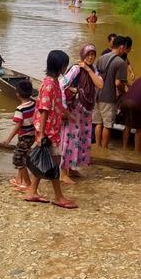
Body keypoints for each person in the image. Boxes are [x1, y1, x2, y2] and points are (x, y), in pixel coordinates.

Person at [25, 50, 78, 209]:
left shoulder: (54, 82)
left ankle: (32, 191)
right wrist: (41, 134)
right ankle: (59, 197)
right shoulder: (49, 84)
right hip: (47, 130)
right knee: (54, 162)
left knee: (43, 159)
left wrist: (69, 115)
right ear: (59, 65)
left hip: (50, 128)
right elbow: (44, 110)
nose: (66, 67)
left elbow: (58, 105)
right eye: (65, 64)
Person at [60, 44, 104, 184]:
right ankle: (63, 172)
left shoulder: (93, 70)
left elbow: (100, 84)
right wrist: (64, 107)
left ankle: (72, 168)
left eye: (92, 55)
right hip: (74, 109)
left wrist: (88, 69)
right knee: (69, 139)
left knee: (81, 139)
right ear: (82, 56)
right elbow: (62, 84)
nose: (90, 57)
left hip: (86, 110)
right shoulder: (76, 69)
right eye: (88, 55)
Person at [93, 35, 128, 148]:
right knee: (107, 125)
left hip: (97, 95)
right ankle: (104, 149)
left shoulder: (101, 58)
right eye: (125, 48)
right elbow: (118, 83)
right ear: (122, 47)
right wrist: (124, 93)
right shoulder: (121, 62)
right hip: (109, 98)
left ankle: (98, 146)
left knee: (98, 123)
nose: (125, 51)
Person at [2, 80, 36, 191]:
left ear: (17, 94)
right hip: (32, 136)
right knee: (23, 156)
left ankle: (27, 184)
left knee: (18, 158)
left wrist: (8, 138)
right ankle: (18, 180)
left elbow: (18, 125)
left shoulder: (20, 109)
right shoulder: (33, 104)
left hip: (24, 137)